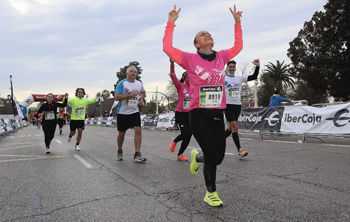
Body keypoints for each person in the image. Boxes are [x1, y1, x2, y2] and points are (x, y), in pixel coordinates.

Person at [163, 4, 243, 207]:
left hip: (217, 113)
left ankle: (197, 158)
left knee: (218, 157)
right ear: (197, 44)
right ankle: (211, 193)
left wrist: (237, 23)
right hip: (198, 114)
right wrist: (171, 23)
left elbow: (238, 46)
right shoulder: (189, 59)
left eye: (209, 33)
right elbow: (167, 48)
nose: (207, 35)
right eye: (202, 34)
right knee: (213, 156)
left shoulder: (222, 57)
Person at [224, 59, 260, 159]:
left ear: (235, 68)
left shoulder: (240, 78)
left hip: (237, 106)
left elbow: (254, 77)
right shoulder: (223, 79)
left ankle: (218, 141)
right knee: (235, 127)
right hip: (227, 106)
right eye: (230, 67)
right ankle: (240, 150)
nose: (231, 68)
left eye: (233, 67)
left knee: (230, 129)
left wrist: (257, 67)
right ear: (227, 68)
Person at [114, 65, 147, 162]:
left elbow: (143, 93)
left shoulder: (139, 83)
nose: (133, 73)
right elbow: (117, 97)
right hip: (123, 112)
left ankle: (137, 154)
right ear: (127, 73)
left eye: (135, 71)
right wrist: (130, 95)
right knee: (122, 133)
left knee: (138, 130)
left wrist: (141, 99)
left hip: (134, 111)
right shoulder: (122, 83)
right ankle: (119, 150)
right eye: (131, 71)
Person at [168, 59, 192, 162]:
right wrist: (172, 64)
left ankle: (180, 154)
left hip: (190, 114)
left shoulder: (195, 87)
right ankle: (175, 140)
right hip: (180, 113)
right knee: (185, 133)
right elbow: (173, 76)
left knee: (189, 135)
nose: (190, 79)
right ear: (184, 78)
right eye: (187, 77)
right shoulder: (180, 86)